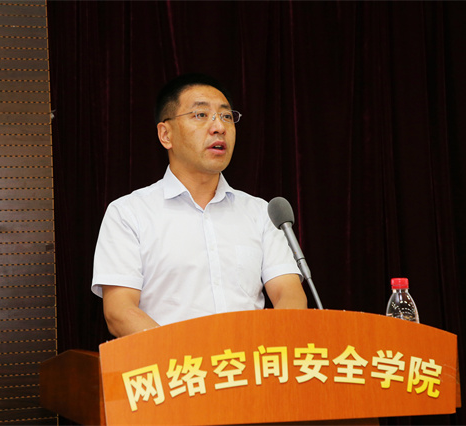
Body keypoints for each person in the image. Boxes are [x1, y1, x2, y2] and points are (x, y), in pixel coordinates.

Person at [91, 73, 307, 337]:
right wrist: (190, 356)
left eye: (226, 116)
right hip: (172, 361)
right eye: (201, 115)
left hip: (250, 359)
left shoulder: (261, 212)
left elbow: (289, 295)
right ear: (166, 134)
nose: (219, 127)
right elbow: (120, 312)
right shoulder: (129, 213)